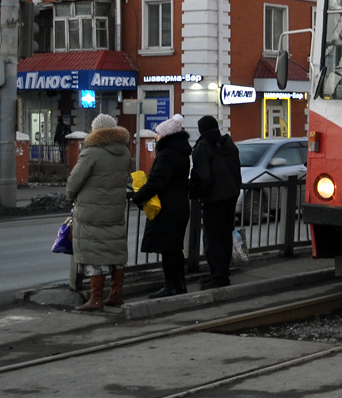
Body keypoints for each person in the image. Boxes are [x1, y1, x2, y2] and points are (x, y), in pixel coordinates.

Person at [66, 113, 131, 311]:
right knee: (115, 251)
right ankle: (116, 295)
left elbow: (74, 181)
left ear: (95, 131)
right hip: (116, 209)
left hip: (91, 211)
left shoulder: (91, 152)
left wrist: (69, 195)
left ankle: (95, 299)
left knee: (95, 254)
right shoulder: (125, 152)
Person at [134, 114, 192, 299]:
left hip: (168, 207)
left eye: (158, 134)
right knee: (175, 248)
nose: (156, 137)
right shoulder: (181, 153)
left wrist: (138, 197)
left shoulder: (167, 155)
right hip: (179, 205)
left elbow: (158, 182)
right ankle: (179, 285)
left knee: (168, 248)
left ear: (166, 136)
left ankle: (171, 286)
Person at [190, 115, 242, 289]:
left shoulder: (202, 148)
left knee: (213, 240)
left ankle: (219, 277)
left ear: (201, 130)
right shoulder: (229, 145)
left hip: (214, 199)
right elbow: (237, 171)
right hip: (231, 196)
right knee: (225, 236)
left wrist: (197, 192)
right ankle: (220, 273)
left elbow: (203, 177)